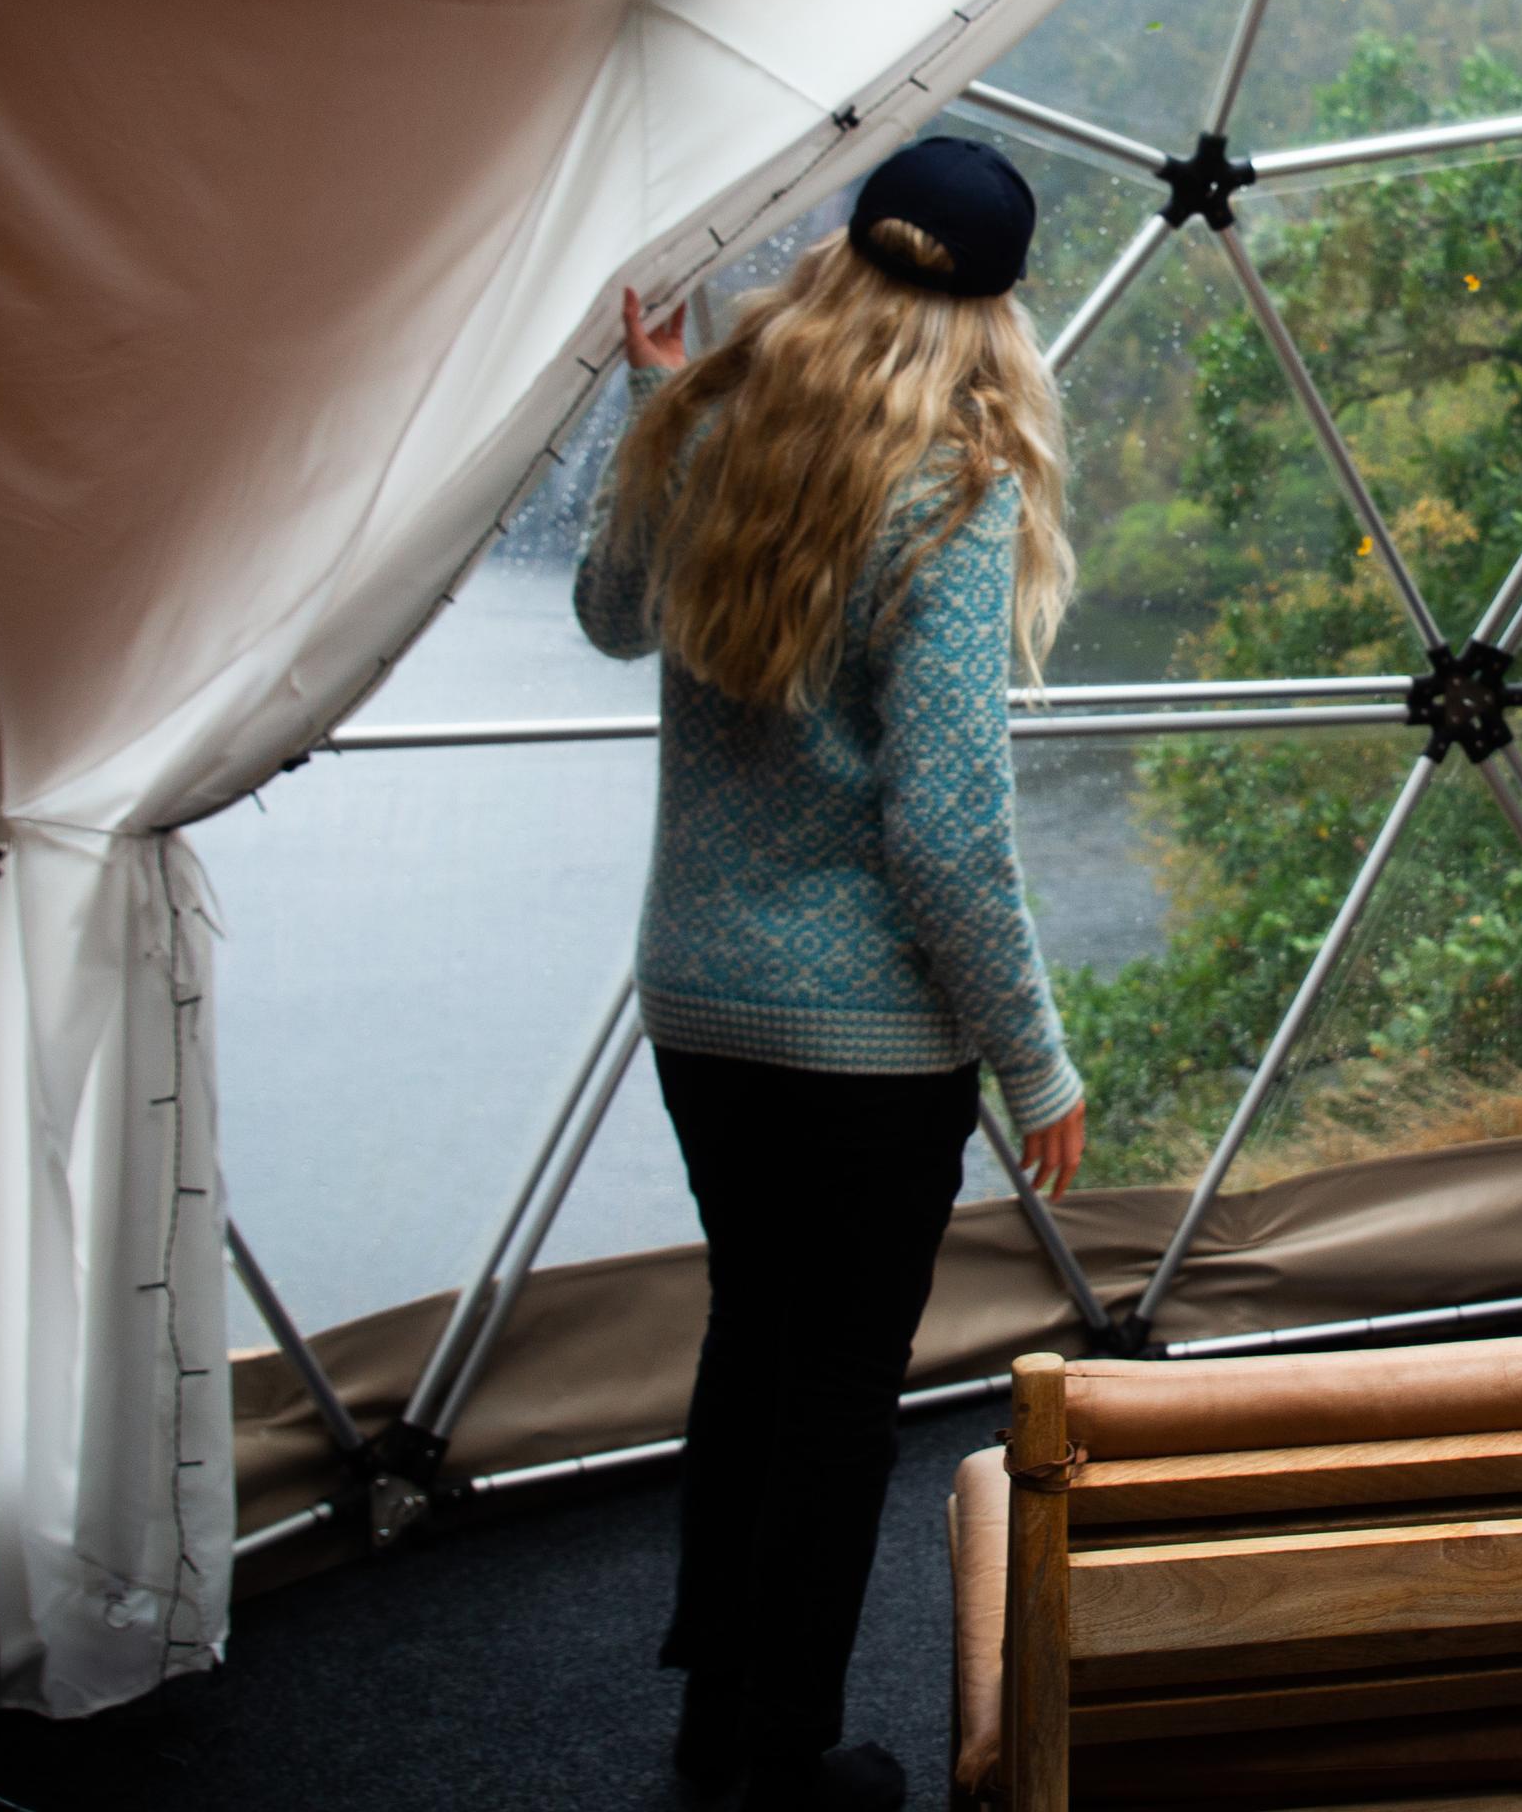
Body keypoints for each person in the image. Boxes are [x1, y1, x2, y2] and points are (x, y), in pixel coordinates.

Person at [577, 133, 1085, 1812]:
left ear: (847, 256)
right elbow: (946, 828)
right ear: (998, 312)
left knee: (755, 1337)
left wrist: (647, 416)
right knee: (839, 1395)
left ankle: (717, 1698)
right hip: (865, 1044)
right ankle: (779, 1753)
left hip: (700, 1007)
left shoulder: (711, 421)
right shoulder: (954, 477)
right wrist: (1037, 1062)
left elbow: (603, 611)